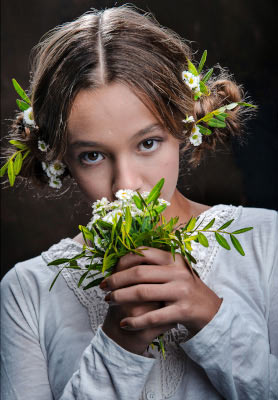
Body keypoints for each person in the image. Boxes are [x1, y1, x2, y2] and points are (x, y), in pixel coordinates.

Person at [1, 5, 277, 400]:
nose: (126, 185)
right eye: (92, 155)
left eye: (148, 144)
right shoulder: (27, 293)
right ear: (60, 158)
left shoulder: (266, 244)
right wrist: (118, 345)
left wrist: (211, 319)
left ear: (185, 127)